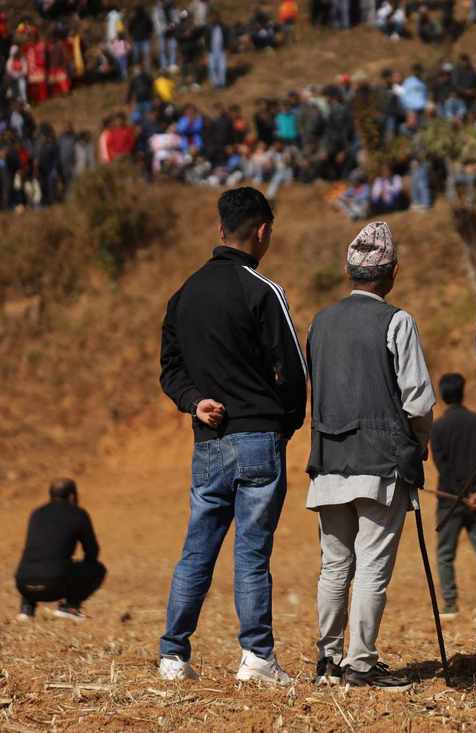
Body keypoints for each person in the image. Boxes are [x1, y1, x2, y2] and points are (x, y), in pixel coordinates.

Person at [158, 187, 307, 684]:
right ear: (262, 231)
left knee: (197, 547)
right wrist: (285, 425)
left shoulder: (184, 293)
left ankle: (174, 656)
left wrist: (193, 401)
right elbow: (294, 369)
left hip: (208, 439)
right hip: (259, 436)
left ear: (221, 228)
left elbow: (170, 368)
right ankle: (257, 657)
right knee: (251, 552)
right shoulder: (262, 290)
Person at [306, 221, 433, 692]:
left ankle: (327, 660)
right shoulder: (397, 321)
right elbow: (418, 402)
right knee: (372, 566)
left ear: (350, 271)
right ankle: (360, 665)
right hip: (382, 466)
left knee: (335, 565)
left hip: (327, 462)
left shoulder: (320, 322)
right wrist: (419, 446)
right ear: (393, 272)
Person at [430, 373, 476, 621]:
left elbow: (443, 466)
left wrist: (461, 494)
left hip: (450, 501)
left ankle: (450, 605)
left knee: (445, 554)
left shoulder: (438, 428)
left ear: (442, 395)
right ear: (462, 392)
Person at [15, 479, 106, 622]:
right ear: (72, 496)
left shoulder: (37, 513)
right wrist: (77, 571)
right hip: (54, 585)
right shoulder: (78, 514)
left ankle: (26, 609)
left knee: (37, 561)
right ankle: (70, 607)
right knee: (98, 569)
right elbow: (92, 551)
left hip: (23, 584)